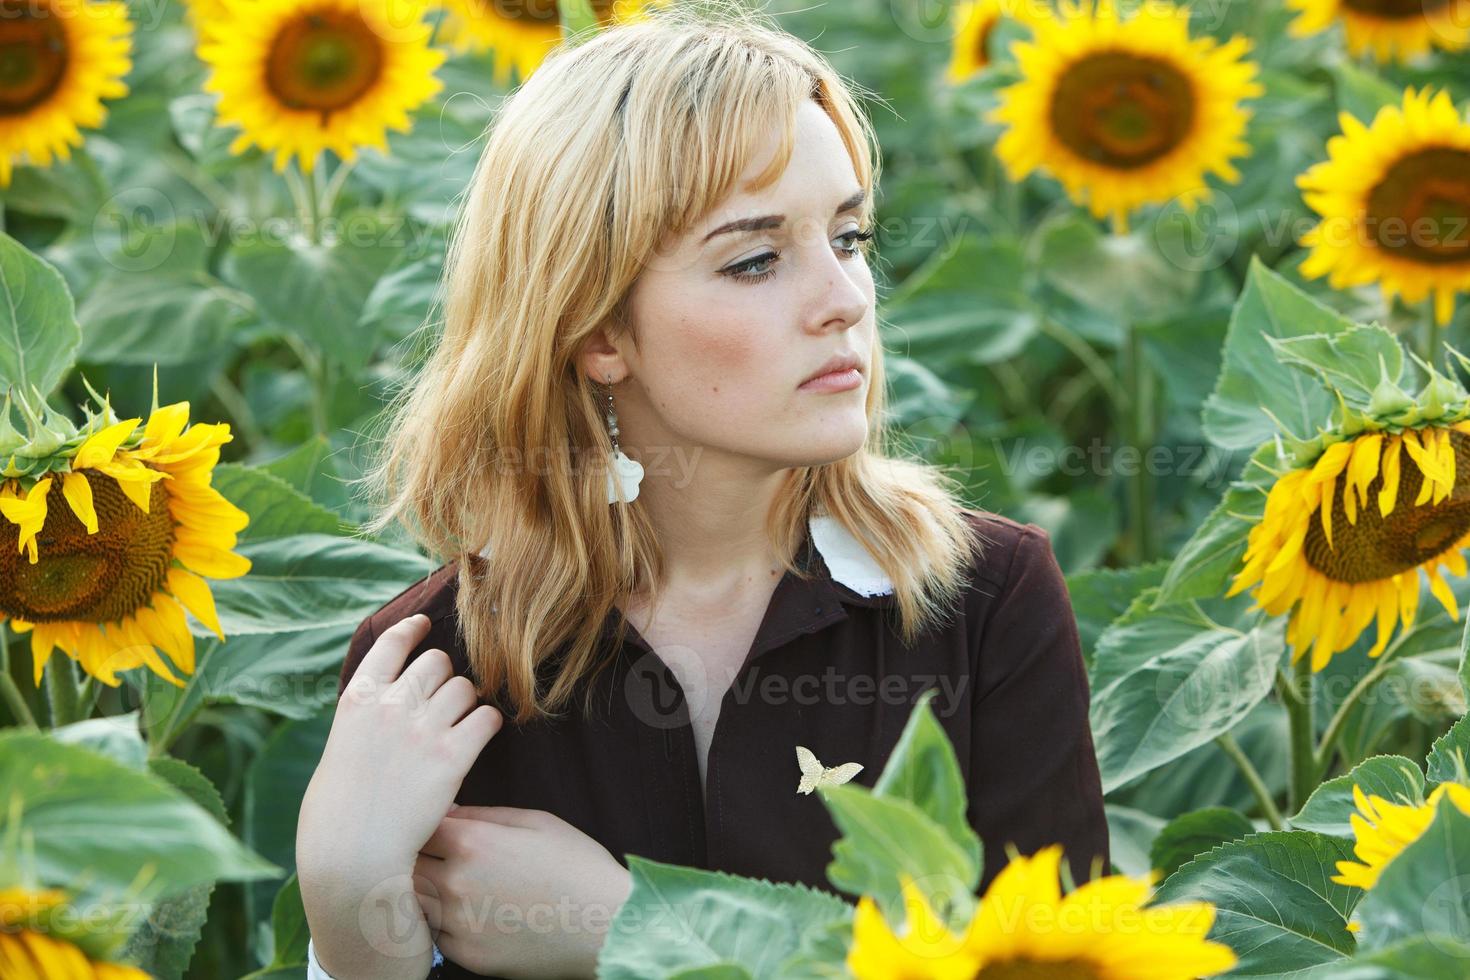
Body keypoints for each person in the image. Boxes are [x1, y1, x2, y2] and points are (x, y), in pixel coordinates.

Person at [295, 3, 1109, 978]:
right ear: (598, 332)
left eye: (849, 238)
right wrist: (348, 907)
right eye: (757, 259)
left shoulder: (982, 602)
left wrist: (639, 933)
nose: (846, 299)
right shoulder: (437, 671)